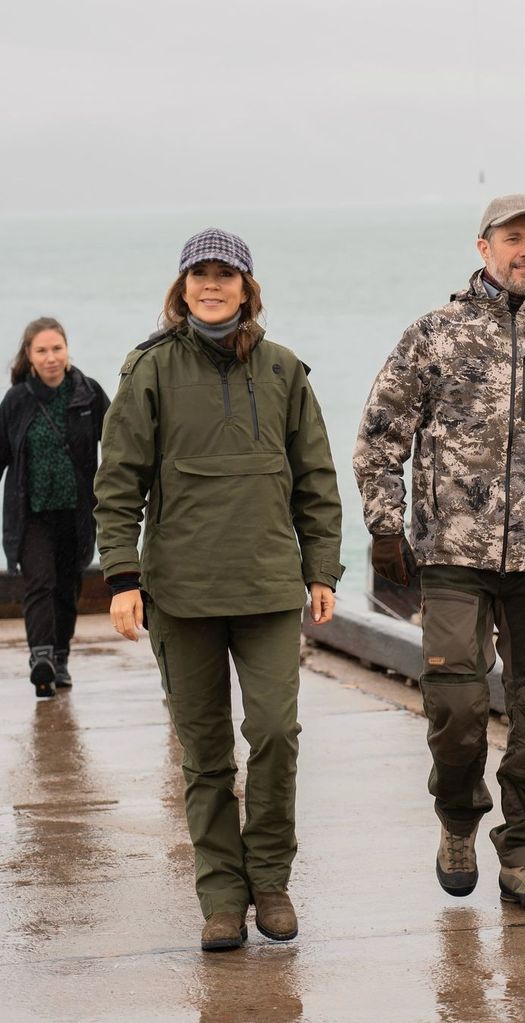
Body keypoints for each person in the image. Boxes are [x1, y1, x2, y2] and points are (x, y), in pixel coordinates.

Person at [353, 194, 525, 913]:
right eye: (513, 238)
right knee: (455, 702)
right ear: (483, 246)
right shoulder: (434, 335)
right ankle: (456, 818)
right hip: (451, 552)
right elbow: (381, 434)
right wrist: (385, 527)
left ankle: (524, 855)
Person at [93, 228, 344, 952]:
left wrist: (320, 568)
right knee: (204, 755)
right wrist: (122, 576)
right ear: (181, 287)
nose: (212, 285)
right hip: (181, 591)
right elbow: (119, 480)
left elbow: (316, 479)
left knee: (273, 733)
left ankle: (270, 879)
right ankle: (222, 896)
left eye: (225, 275)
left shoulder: (283, 369)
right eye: (199, 274)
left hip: (267, 586)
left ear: (246, 286)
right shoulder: (149, 369)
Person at [0, 317, 109, 698]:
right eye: (42, 350)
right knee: (40, 583)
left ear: (67, 351)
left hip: (76, 512)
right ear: (29, 357)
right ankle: (41, 659)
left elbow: (119, 443)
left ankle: (60, 658)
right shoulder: (16, 401)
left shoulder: (88, 393)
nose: (50, 357)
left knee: (67, 586)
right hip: (30, 513)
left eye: (56, 349)